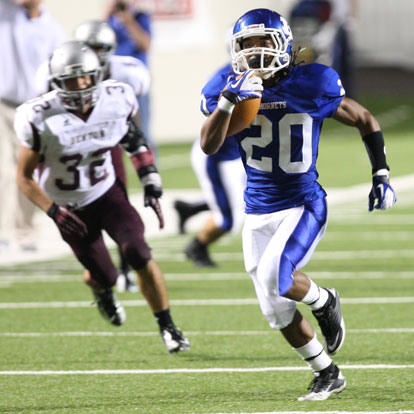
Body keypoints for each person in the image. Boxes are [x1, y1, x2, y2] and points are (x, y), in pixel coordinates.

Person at [200, 8, 396, 401]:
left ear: (284, 45)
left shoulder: (313, 81)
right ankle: (327, 372)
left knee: (279, 275)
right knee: (275, 310)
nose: (255, 53)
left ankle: (325, 300)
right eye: (247, 45)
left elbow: (362, 117)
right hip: (257, 209)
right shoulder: (225, 84)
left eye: (263, 43)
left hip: (302, 203)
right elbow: (210, 145)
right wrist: (226, 103)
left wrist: (381, 173)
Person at [14, 41, 190, 354]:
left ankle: (168, 326)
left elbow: (134, 139)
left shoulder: (115, 97)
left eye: (85, 76)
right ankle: (103, 290)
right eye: (71, 79)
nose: (80, 85)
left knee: (138, 252)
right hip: (68, 207)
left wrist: (151, 182)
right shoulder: (38, 116)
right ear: (56, 83)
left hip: (107, 193)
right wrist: (53, 211)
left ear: (98, 74)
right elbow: (24, 178)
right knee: (104, 275)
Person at [73, 19, 151, 293]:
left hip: (111, 140)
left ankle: (126, 268)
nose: (93, 53)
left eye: (99, 47)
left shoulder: (128, 70)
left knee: (118, 202)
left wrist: (140, 152)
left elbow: (131, 115)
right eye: (88, 47)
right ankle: (99, 267)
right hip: (74, 145)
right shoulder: (59, 68)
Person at [0, 0, 66, 252]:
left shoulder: (52, 28)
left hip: (31, 110)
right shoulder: (6, 13)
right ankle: (2, 231)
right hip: (2, 103)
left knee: (26, 173)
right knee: (2, 171)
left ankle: (25, 231)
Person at [175, 62, 246, 267]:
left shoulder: (276, 73)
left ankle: (191, 209)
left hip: (242, 154)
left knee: (250, 198)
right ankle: (197, 246)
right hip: (218, 155)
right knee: (230, 220)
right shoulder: (227, 76)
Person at [105, 0, 154, 152]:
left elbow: (145, 44)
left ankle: (151, 171)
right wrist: (107, 14)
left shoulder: (140, 17)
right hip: (111, 84)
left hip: (135, 85)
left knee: (142, 133)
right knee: (107, 135)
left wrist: (129, 21)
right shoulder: (110, 19)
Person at [289, 0, 357, 97]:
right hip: (324, 16)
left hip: (336, 17)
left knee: (336, 62)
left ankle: (337, 95)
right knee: (323, 59)